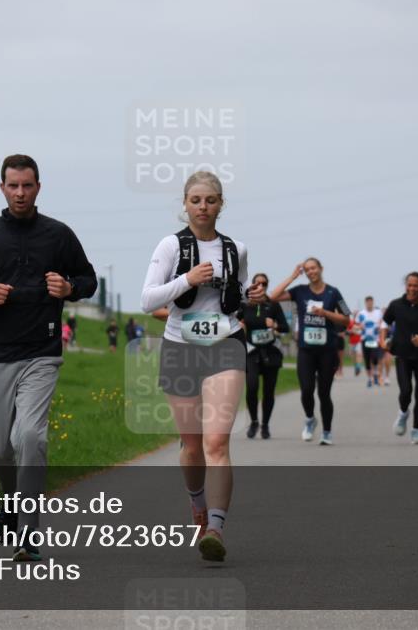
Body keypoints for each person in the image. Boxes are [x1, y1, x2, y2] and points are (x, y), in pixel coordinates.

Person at [0, 154, 97, 561]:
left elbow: (89, 279)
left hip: (40, 353)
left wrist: (69, 288)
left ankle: (28, 532)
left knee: (30, 437)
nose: (20, 193)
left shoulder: (59, 235)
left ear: (38, 187)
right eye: (13, 186)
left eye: (27, 185)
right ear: (2, 188)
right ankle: (10, 502)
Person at [140, 171, 264, 562]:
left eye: (210, 200)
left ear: (221, 204)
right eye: (195, 200)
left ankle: (215, 527)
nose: (203, 207)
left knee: (216, 443)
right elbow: (148, 299)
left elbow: (239, 295)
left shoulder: (236, 249)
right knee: (192, 446)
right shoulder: (171, 246)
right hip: (181, 346)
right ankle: (197, 504)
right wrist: (187, 279)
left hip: (225, 344)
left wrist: (253, 297)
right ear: (185, 204)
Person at [271, 258, 350, 446]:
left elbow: (347, 319)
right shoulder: (300, 291)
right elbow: (272, 297)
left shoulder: (333, 292)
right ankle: (309, 419)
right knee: (306, 390)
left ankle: (327, 432)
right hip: (306, 350)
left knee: (324, 393)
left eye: (313, 268)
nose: (310, 272)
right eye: (307, 270)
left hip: (327, 351)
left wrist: (326, 314)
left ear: (321, 269)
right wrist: (292, 276)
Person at [379, 272, 418, 445]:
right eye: (409, 285)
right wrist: (383, 339)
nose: (412, 288)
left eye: (416, 285)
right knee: (406, 391)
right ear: (405, 286)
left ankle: (415, 431)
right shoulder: (396, 305)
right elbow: (385, 322)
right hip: (402, 355)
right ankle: (403, 413)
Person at [238, 273, 289, 440]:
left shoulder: (273, 305)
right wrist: (239, 325)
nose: (260, 286)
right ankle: (254, 421)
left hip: (270, 352)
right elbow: (230, 322)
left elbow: (285, 327)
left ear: (267, 286)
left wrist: (274, 325)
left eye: (264, 284)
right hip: (251, 352)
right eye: (257, 284)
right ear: (251, 286)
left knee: (269, 391)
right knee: (251, 388)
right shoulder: (244, 306)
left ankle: (265, 424)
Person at [356, 296, 383, 388]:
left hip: (375, 339)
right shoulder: (361, 314)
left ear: (373, 302)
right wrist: (360, 327)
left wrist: (380, 326)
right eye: (368, 302)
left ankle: (375, 373)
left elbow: (382, 322)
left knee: (375, 357)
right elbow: (356, 326)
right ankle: (369, 378)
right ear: (365, 303)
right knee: (367, 359)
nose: (369, 304)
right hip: (365, 339)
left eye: (371, 302)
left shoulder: (378, 312)